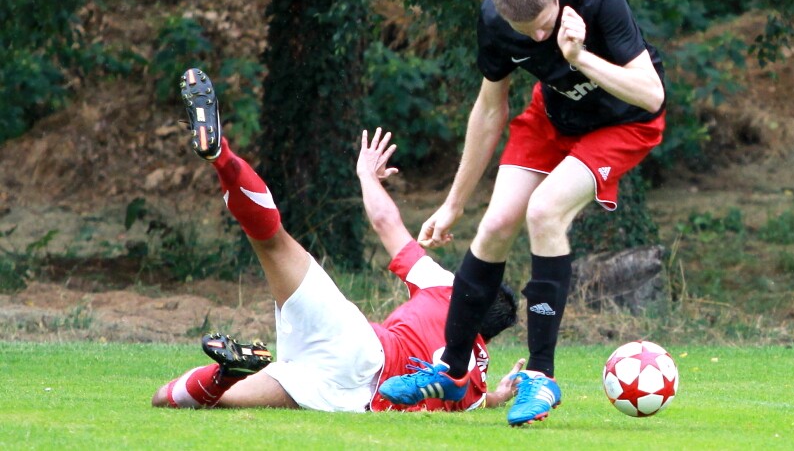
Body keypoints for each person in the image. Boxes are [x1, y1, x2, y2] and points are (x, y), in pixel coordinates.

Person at [378, 0, 666, 426]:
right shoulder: (495, 20)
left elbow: (652, 95)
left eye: (544, 26)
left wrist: (579, 57)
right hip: (553, 117)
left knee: (544, 211)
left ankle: (541, 377)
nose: (537, 38)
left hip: (624, 123)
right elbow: (490, 108)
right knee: (494, 225)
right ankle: (451, 371)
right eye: (524, 30)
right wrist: (453, 203)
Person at [151, 67, 522, 412]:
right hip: (351, 399)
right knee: (182, 399)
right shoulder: (474, 383)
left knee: (272, 240)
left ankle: (220, 155)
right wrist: (500, 395)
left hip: (361, 348)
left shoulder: (446, 289)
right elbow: (478, 398)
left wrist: (367, 176)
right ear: (489, 336)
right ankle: (226, 375)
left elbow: (386, 223)